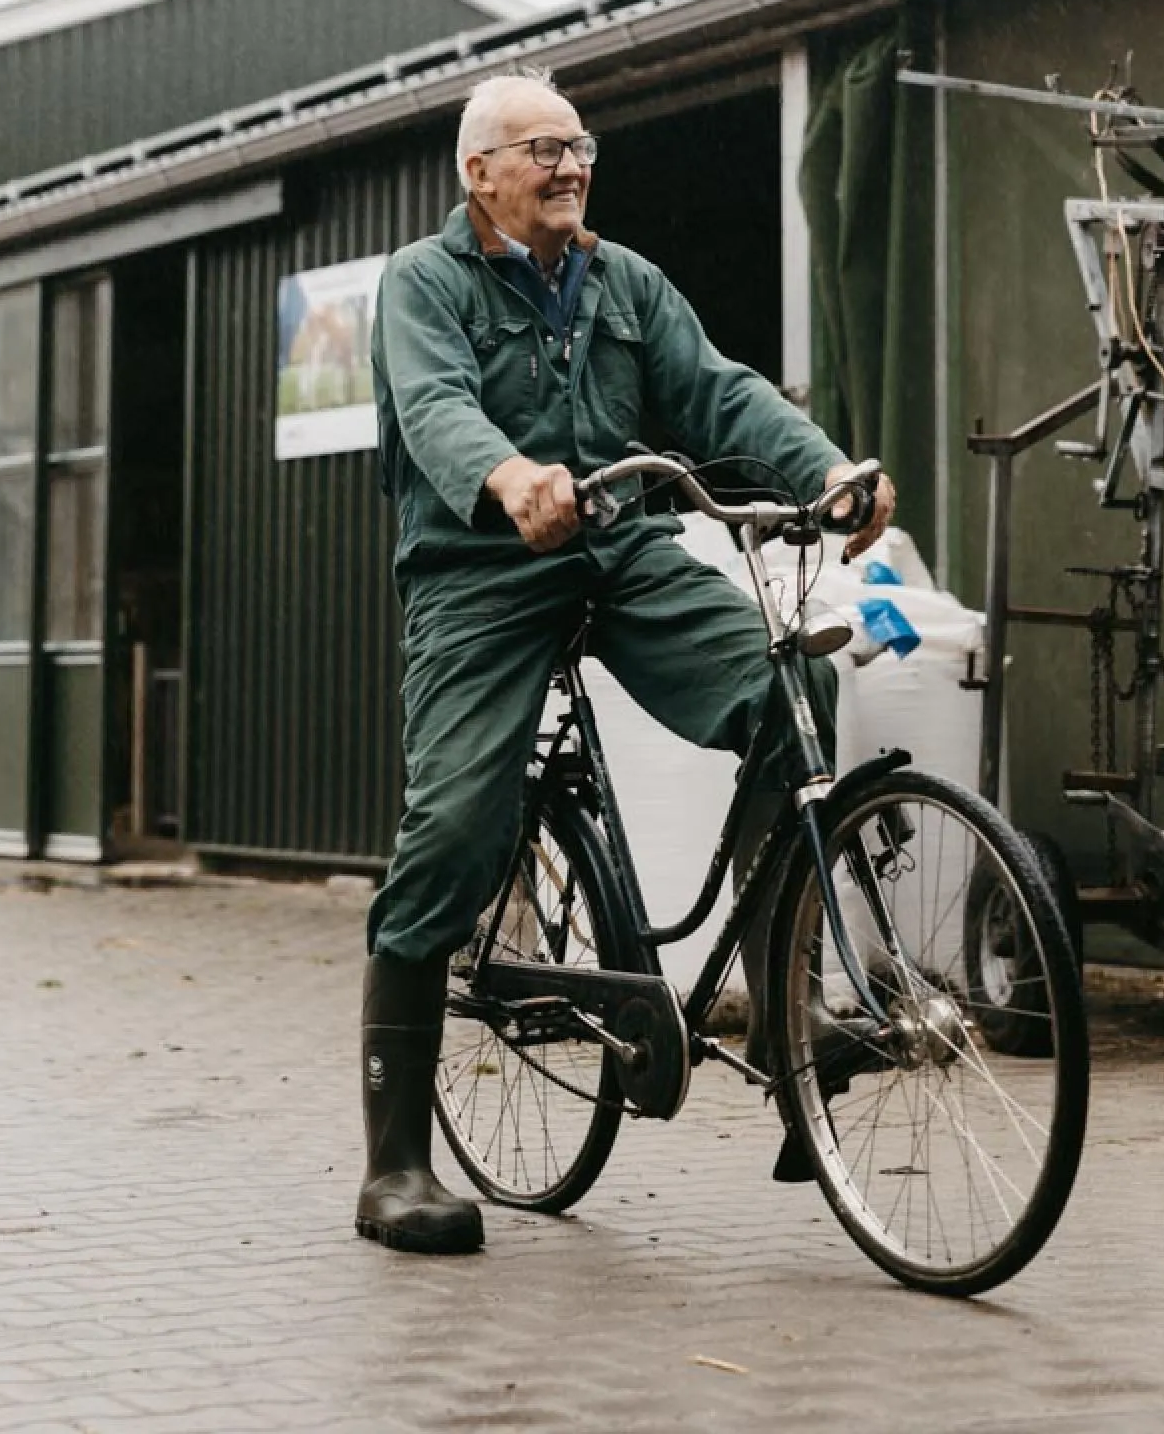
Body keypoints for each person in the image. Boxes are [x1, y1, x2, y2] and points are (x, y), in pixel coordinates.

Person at [358, 66, 895, 1254]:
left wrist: (822, 467)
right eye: (540, 148)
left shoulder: (624, 283)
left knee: (785, 687)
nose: (569, 164)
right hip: (480, 573)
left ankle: (786, 1020)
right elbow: (439, 406)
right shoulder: (423, 282)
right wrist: (508, 478)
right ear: (478, 173)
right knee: (451, 830)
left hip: (619, 550)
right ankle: (393, 1162)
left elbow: (715, 393)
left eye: (578, 144)